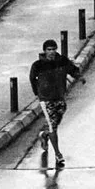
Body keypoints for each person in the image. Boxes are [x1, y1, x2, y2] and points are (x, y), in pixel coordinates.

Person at [28, 38, 83, 170]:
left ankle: (45, 135)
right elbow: (32, 79)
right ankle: (58, 154)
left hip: (59, 97)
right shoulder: (38, 65)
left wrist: (79, 77)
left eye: (53, 49)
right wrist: (38, 93)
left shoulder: (62, 61)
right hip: (46, 99)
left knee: (55, 122)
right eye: (49, 50)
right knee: (53, 126)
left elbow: (72, 70)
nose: (51, 52)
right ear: (44, 51)